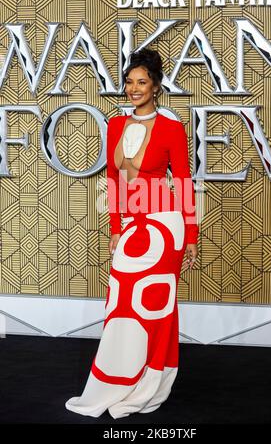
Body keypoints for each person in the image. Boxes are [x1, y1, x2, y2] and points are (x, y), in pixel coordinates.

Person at [65, 48, 199, 419]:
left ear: (155, 86)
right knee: (122, 305)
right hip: (132, 226)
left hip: (165, 226)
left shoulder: (172, 129)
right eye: (129, 82)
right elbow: (112, 180)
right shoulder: (114, 125)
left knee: (154, 308)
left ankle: (150, 380)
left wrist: (190, 235)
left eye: (141, 82)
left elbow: (184, 183)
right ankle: (117, 379)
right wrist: (114, 227)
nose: (133, 89)